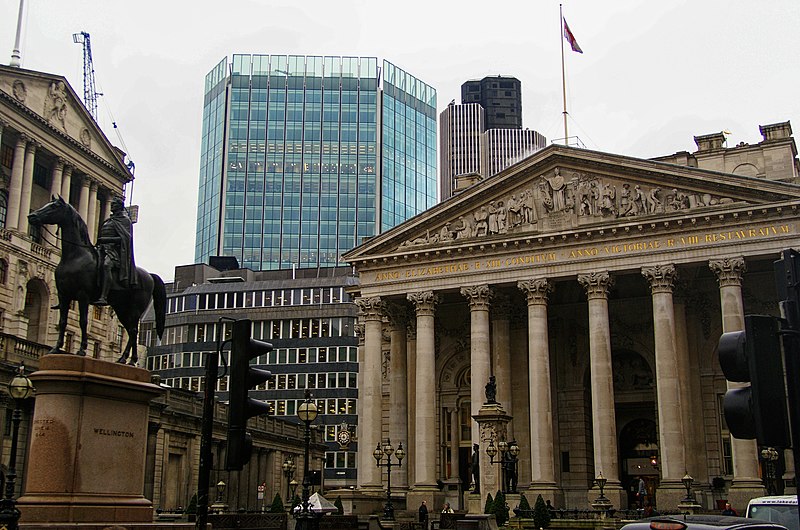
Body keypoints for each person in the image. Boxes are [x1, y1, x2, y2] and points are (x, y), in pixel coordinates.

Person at [94, 197, 136, 306]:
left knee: (106, 265)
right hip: (102, 248)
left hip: (115, 251)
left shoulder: (125, 220)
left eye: (114, 204)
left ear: (119, 206)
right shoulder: (109, 220)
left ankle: (104, 296)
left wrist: (106, 240)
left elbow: (125, 238)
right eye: (111, 204)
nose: (112, 206)